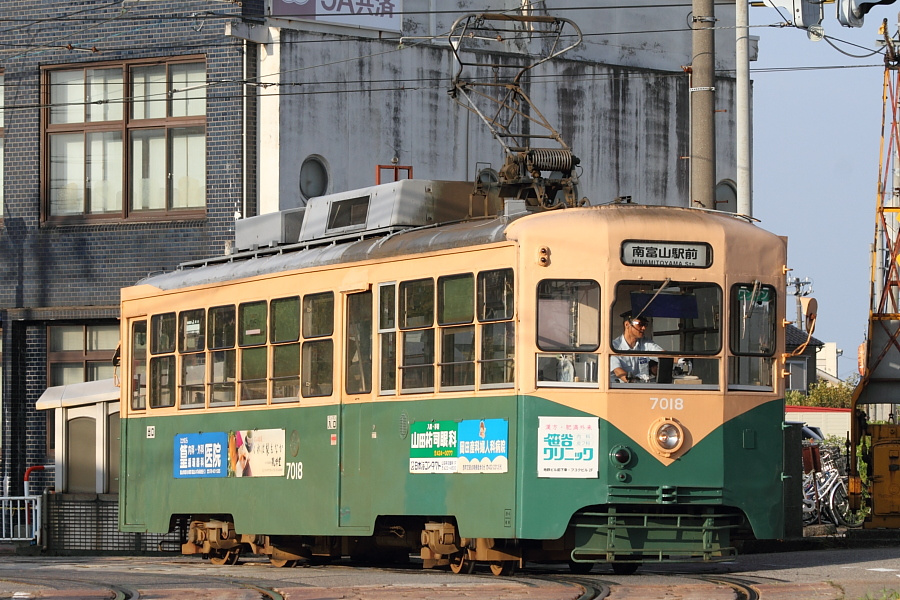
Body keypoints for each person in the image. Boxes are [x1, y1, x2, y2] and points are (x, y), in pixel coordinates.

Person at [611, 311, 663, 383]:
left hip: (641, 388)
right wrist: (633, 381)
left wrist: (680, 359)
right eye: (640, 324)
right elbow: (618, 371)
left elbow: (663, 354)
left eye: (645, 324)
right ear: (627, 325)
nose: (644, 328)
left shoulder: (645, 342)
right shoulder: (614, 346)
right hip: (620, 389)